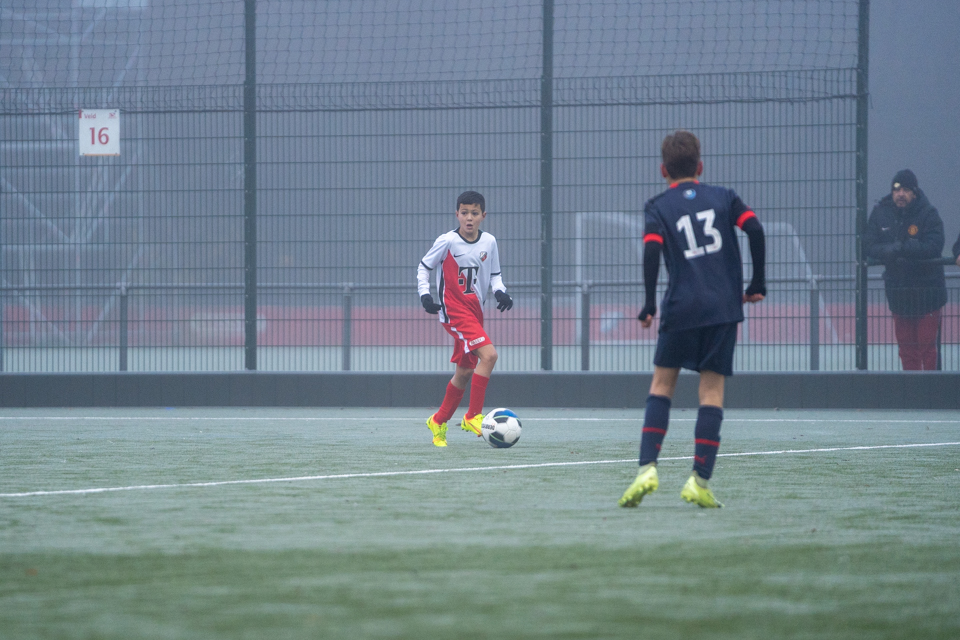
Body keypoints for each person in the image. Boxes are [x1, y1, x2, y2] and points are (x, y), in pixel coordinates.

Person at [618, 130, 766, 509]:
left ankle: (647, 468)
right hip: (723, 310)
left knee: (662, 387)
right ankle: (699, 480)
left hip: (681, 307)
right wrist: (756, 283)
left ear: (662, 170)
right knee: (711, 393)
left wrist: (650, 303)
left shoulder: (657, 206)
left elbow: (651, 253)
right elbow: (754, 229)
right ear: (700, 166)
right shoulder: (725, 197)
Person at [417, 191, 513, 447]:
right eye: (464, 213)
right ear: (456, 214)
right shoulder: (447, 241)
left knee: (464, 372)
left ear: (483, 215)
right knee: (490, 356)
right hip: (453, 312)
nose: (469, 218)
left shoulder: (489, 242)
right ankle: (473, 415)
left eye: (474, 213)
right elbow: (424, 267)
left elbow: (495, 275)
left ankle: (438, 421)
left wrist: (501, 291)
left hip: (475, 314)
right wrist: (425, 295)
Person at [864, 170, 946, 371]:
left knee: (927, 348)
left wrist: (903, 248)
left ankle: (931, 394)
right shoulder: (880, 213)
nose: (901, 194)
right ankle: (911, 393)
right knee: (906, 349)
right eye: (896, 189)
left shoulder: (929, 213)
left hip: (928, 294)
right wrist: (888, 251)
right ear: (892, 192)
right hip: (898, 293)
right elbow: (867, 245)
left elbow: (935, 245)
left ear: (915, 193)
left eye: (906, 190)